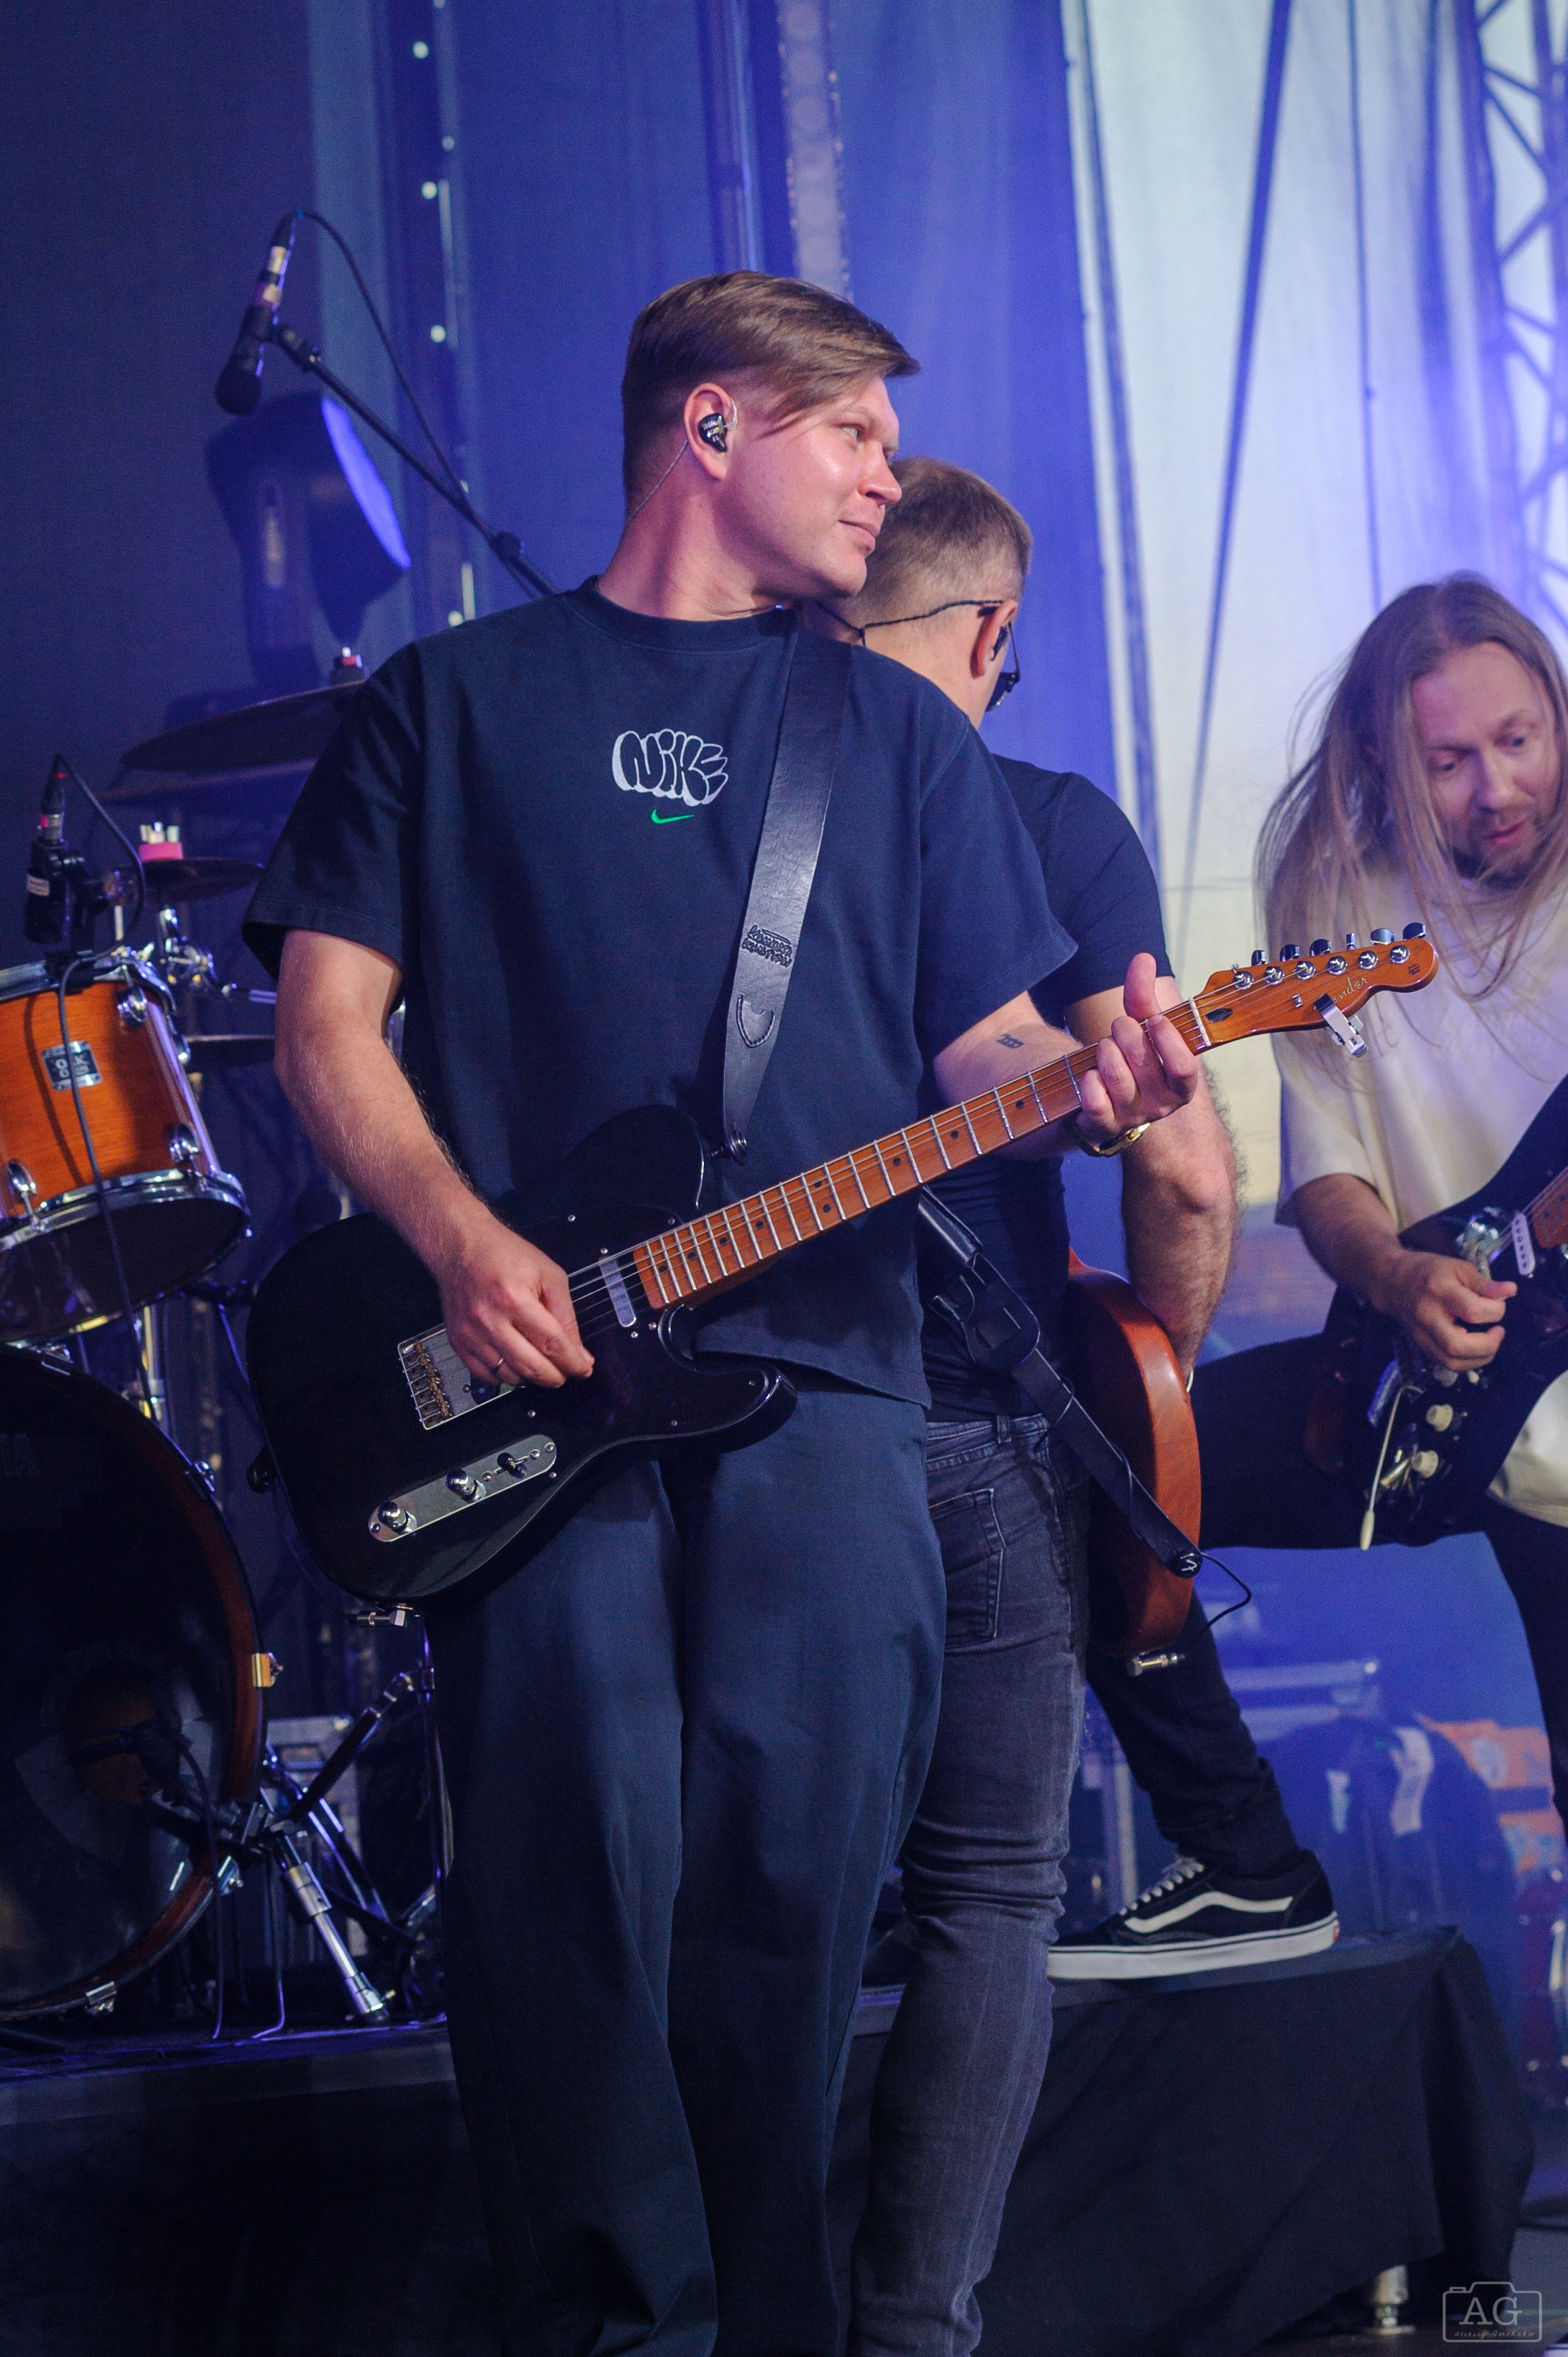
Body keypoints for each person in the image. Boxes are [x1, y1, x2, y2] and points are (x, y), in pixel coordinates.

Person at [242, 275, 1200, 2357]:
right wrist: (454, 1237)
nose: (884, 475)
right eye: (848, 430)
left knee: (786, 1930)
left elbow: (983, 1052)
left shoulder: (894, 739)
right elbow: (325, 1027)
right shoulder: (453, 701)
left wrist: (1097, 1080)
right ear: (708, 429)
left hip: (835, 1410)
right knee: (564, 1916)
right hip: (542, 1396)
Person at [819, 456, 1334, 2357]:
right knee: (980, 1901)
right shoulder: (1047, 831)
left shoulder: (734, 820)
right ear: (992, 639)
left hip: (734, 1414)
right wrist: (1143, 1383)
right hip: (977, 1411)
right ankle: (912, 2330)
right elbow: (1184, 1171)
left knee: (771, 1881)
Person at [1196, 572, 1568, 1839]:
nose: (1497, 786)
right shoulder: (1335, 909)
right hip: (1431, 1392)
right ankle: (1244, 1859)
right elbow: (1325, 1181)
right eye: (1448, 759)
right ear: (1380, 758)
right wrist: (1399, 1279)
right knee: (1110, 1475)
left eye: (1519, 740)